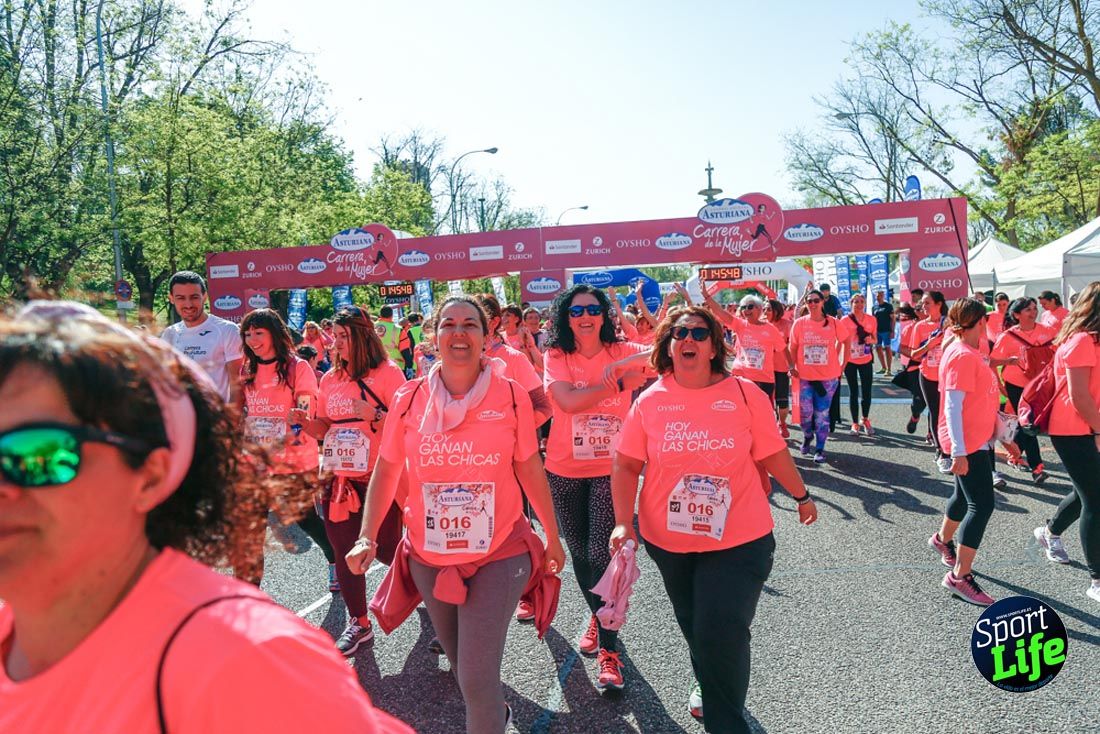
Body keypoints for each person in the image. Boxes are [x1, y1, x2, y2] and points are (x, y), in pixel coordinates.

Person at [0, 304, 411, 733]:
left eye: (39, 453)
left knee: (354, 538)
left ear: (150, 474)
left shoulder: (250, 653)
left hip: (318, 468)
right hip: (270, 464)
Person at [346, 295, 565, 734]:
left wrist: (553, 536)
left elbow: (527, 465)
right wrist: (367, 535)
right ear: (434, 335)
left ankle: (490, 719)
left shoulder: (511, 396)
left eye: (470, 325)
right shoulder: (410, 398)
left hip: (499, 549)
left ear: (487, 337)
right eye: (449, 324)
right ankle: (497, 716)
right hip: (430, 556)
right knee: (463, 664)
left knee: (475, 676)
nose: (459, 333)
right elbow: (388, 466)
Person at [610, 305, 817, 732]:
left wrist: (802, 494)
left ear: (714, 346)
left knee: (721, 631)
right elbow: (626, 464)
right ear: (668, 345)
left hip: (740, 538)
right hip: (669, 542)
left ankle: (725, 722)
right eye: (679, 333)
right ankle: (708, 679)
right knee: (695, 623)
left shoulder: (743, 394)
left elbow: (772, 451)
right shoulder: (650, 402)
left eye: (699, 333)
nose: (688, 340)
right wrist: (622, 523)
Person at [542, 284, 651, 691]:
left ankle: (610, 650)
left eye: (592, 309)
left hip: (613, 469)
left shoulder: (621, 352)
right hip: (563, 468)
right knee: (581, 559)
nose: (584, 316)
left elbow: (663, 353)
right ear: (565, 318)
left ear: (604, 314)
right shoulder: (556, 355)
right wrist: (618, 386)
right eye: (575, 311)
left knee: (600, 555)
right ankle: (597, 611)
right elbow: (566, 403)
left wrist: (631, 360)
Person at [293, 305, 408, 656]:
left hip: (379, 480)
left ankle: (428, 596)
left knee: (389, 550)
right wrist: (306, 423)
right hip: (338, 481)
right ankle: (359, 623)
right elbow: (325, 428)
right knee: (346, 553)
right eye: (335, 337)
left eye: (343, 337)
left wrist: (374, 414)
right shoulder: (330, 379)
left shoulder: (389, 374)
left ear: (361, 336)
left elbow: (409, 427)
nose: (335, 344)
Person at [238, 309, 336, 588]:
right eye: (248, 333)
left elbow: (304, 412)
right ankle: (249, 591)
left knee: (304, 519)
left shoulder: (297, 367)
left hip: (294, 459)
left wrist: (294, 426)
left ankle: (334, 558)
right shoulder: (247, 367)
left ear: (274, 333)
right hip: (257, 460)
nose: (253, 339)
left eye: (259, 333)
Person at [927, 298, 1000, 606]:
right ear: (981, 322)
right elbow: (952, 407)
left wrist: (999, 432)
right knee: (981, 505)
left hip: (975, 437)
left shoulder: (969, 352)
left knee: (963, 497)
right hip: (967, 442)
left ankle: (941, 540)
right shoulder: (961, 354)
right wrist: (958, 451)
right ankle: (959, 576)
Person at [1033, 281, 1100, 603]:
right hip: (1073, 429)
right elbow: (1079, 398)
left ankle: (1050, 532)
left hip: (1088, 427)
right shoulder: (1082, 342)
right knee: (1096, 501)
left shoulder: (1092, 341)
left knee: (1086, 490)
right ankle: (1097, 579)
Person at [991, 297, 1055, 484]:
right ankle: (1037, 468)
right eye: (1028, 309)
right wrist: (1001, 380)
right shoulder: (1008, 337)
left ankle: (1016, 450)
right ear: (1016, 314)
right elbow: (992, 361)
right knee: (1028, 424)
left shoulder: (1048, 332)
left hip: (1042, 384)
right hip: (1017, 386)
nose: (1033, 312)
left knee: (1028, 424)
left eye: (1035, 308)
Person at [160, 271, 243, 403]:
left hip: (217, 418)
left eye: (194, 297)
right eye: (181, 298)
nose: (188, 304)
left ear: (204, 297)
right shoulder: (169, 334)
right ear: (171, 298)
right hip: (183, 418)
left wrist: (231, 421)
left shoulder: (227, 330)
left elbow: (238, 384)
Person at [789, 289, 851, 463]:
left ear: (823, 302)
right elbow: (792, 347)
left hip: (828, 378)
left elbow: (846, 341)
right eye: (809, 301)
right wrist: (791, 366)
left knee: (822, 415)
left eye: (816, 301)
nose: (813, 304)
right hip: (804, 377)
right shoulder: (799, 324)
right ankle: (808, 435)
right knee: (805, 413)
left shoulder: (833, 323)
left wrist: (842, 365)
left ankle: (820, 448)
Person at [474, 294, 552, 428]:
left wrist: (516, 431)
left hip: (506, 446)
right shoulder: (456, 360)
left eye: (472, 321)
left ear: (493, 322)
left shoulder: (514, 358)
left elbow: (544, 405)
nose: (464, 327)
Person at [703, 290, 785, 400]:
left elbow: (783, 348)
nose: (746, 310)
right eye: (743, 307)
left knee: (762, 414)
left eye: (750, 307)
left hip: (763, 379)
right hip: (740, 375)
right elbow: (720, 312)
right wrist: (707, 296)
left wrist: (790, 366)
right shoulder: (739, 324)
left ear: (760, 309)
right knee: (741, 412)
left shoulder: (770, 329)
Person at [908, 291, 950, 473]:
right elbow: (913, 354)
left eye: (927, 303)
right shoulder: (919, 326)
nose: (923, 306)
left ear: (939, 304)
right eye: (922, 303)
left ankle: (953, 447)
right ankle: (941, 451)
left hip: (949, 375)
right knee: (935, 411)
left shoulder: (950, 324)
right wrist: (929, 345)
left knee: (949, 412)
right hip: (928, 374)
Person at [844, 294, 879, 435]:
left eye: (861, 302)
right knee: (853, 391)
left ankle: (865, 419)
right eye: (856, 302)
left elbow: (876, 339)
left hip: (865, 358)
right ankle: (854, 423)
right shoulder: (844, 321)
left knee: (866, 391)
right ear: (851, 303)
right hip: (850, 360)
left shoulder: (871, 319)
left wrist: (870, 340)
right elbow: (839, 341)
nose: (859, 304)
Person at [765, 299, 795, 437]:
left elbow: (793, 346)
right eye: (764, 309)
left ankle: (782, 423)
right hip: (763, 369)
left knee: (782, 399)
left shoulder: (787, 325)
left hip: (781, 367)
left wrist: (792, 364)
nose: (765, 312)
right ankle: (769, 426)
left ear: (777, 311)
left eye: (769, 309)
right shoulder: (761, 324)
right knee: (765, 401)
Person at [501, 304, 544, 369]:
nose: (503, 318)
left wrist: (521, 342)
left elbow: (530, 363)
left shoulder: (526, 336)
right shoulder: (499, 337)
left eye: (507, 315)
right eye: (502, 315)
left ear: (516, 319)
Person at [872, 290, 895, 374]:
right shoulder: (874, 307)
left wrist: (892, 331)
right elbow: (873, 320)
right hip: (877, 331)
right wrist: (872, 331)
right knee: (878, 348)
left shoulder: (888, 306)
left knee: (887, 348)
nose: (879, 297)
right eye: (877, 296)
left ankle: (889, 369)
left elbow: (893, 319)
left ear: (883, 296)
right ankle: (883, 367)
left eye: (880, 296)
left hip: (886, 330)